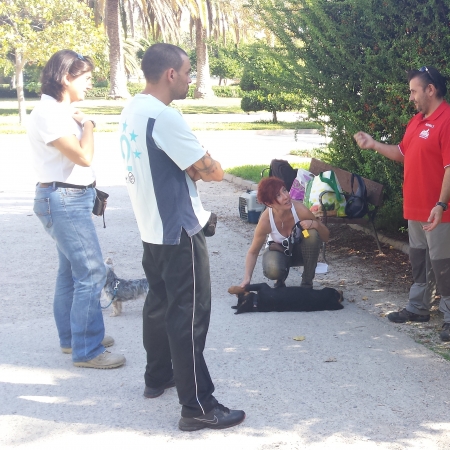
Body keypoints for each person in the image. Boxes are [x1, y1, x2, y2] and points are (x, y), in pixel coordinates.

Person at [118, 43, 244, 431]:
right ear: (170, 74)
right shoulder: (164, 116)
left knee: (159, 304)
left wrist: (191, 168)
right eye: (188, 72)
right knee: (189, 317)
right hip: (179, 230)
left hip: (151, 228)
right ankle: (197, 406)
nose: (191, 78)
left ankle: (157, 377)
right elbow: (211, 171)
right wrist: (206, 167)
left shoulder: (132, 109)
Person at [353, 66, 450, 342]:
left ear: (431, 90)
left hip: (442, 212)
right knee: (420, 262)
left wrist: (441, 204)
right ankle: (419, 308)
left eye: (413, 91)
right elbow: (402, 153)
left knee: (445, 266)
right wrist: (374, 144)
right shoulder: (417, 121)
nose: (411, 97)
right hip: (416, 209)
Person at [28, 50, 125, 369]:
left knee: (70, 272)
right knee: (91, 271)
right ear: (66, 77)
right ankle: (88, 349)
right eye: (85, 78)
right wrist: (90, 126)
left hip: (69, 197)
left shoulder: (58, 110)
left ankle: (73, 339)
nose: (89, 83)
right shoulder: (50, 114)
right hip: (64, 200)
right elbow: (83, 157)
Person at [240, 176, 330, 289]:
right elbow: (253, 252)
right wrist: (247, 279)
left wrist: (315, 224)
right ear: (269, 203)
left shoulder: (300, 210)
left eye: (284, 190)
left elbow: (326, 237)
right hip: (279, 252)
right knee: (273, 269)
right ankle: (280, 278)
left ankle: (307, 282)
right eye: (278, 195)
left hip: (301, 253)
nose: (286, 196)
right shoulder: (266, 220)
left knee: (312, 234)